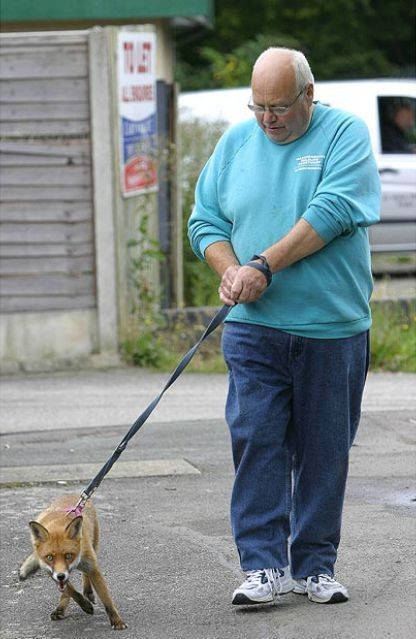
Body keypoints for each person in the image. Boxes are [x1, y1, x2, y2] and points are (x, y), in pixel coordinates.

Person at [188, 47, 381, 607]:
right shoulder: (235, 143)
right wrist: (231, 272)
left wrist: (264, 264)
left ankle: (315, 565)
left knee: (325, 450)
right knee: (257, 442)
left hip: (332, 326)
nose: (268, 118)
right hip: (254, 328)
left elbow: (333, 211)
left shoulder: (344, 134)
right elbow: (206, 221)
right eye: (258, 106)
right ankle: (263, 566)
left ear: (308, 95)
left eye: (279, 106)